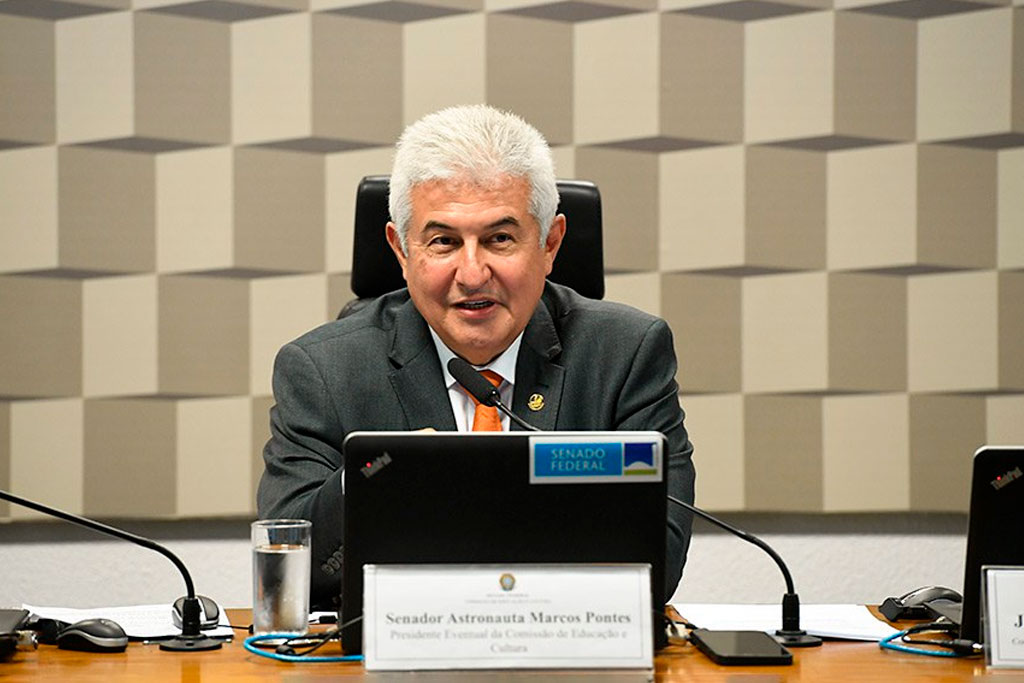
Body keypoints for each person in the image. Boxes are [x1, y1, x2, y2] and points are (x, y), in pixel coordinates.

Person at [258, 104, 695, 609]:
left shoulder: (626, 356)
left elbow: (654, 567)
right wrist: (375, 475)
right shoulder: (323, 371)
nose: (471, 273)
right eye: (443, 242)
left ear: (550, 244)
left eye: (499, 239)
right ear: (401, 251)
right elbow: (289, 571)